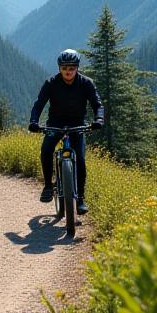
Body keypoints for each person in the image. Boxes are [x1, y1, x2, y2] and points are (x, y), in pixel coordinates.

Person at [28, 49, 104, 215]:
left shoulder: (86, 83)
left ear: (77, 68)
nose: (68, 72)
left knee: (81, 159)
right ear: (59, 68)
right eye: (64, 68)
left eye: (71, 68)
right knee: (46, 150)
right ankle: (48, 185)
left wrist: (99, 120)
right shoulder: (51, 83)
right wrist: (33, 121)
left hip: (77, 124)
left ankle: (81, 199)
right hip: (55, 124)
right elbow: (39, 104)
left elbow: (98, 104)